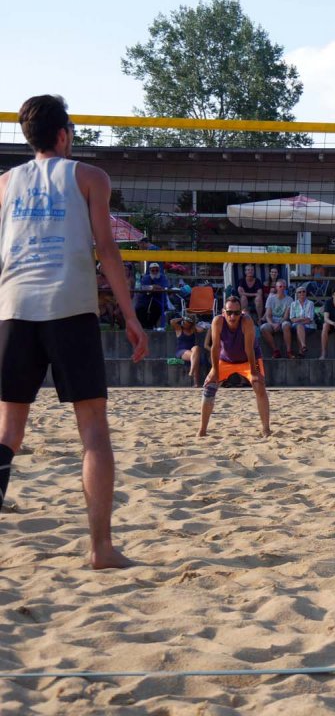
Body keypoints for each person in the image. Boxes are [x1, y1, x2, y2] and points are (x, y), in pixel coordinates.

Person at [0, 94, 148, 569]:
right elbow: (107, 249)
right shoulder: (89, 176)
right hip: (69, 308)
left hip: (14, 308)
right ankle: (100, 550)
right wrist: (130, 315)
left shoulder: (3, 184)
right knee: (93, 433)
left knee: (7, 433)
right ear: (64, 135)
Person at [199, 296, 270, 437]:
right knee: (209, 387)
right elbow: (215, 348)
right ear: (223, 312)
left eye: (236, 313)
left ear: (241, 313)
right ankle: (202, 430)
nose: (233, 316)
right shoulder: (217, 321)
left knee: (259, 385)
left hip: (249, 358)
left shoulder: (246, 321)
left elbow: (249, 349)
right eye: (229, 312)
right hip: (226, 360)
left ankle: (266, 429)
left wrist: (254, 372)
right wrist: (214, 370)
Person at [170, 314, 207, 387]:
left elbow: (201, 329)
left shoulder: (193, 329)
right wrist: (182, 318)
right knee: (196, 357)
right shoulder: (179, 329)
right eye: (184, 322)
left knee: (196, 348)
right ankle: (195, 382)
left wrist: (193, 323)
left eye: (186, 322)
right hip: (181, 351)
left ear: (190, 324)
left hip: (192, 351)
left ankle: (192, 372)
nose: (184, 323)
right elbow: (172, 322)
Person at [260, 279, 293, 358]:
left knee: (286, 325)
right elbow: (268, 315)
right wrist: (272, 324)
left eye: (284, 286)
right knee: (263, 328)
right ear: (276, 288)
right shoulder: (271, 298)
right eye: (280, 286)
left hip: (283, 321)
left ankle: (289, 351)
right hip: (272, 321)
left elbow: (286, 316)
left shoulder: (290, 299)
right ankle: (275, 350)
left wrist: (279, 324)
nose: (282, 288)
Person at [135, 262, 168, 330]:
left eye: (156, 270)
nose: (155, 272)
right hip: (146, 299)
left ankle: (151, 326)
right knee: (139, 308)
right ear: (150, 270)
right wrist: (152, 287)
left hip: (158, 299)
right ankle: (144, 326)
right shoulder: (146, 277)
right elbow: (143, 287)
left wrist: (153, 287)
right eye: (153, 270)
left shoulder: (163, 277)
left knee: (156, 309)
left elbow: (165, 287)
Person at [288, 286, 316, 357]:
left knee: (299, 326)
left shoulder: (311, 303)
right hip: (297, 326)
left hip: (309, 326)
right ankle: (303, 346)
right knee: (299, 326)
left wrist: (298, 319)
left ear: (306, 293)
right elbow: (292, 318)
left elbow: (310, 319)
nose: (302, 293)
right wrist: (302, 318)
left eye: (303, 291)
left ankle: (301, 350)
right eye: (299, 292)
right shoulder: (293, 304)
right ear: (297, 294)